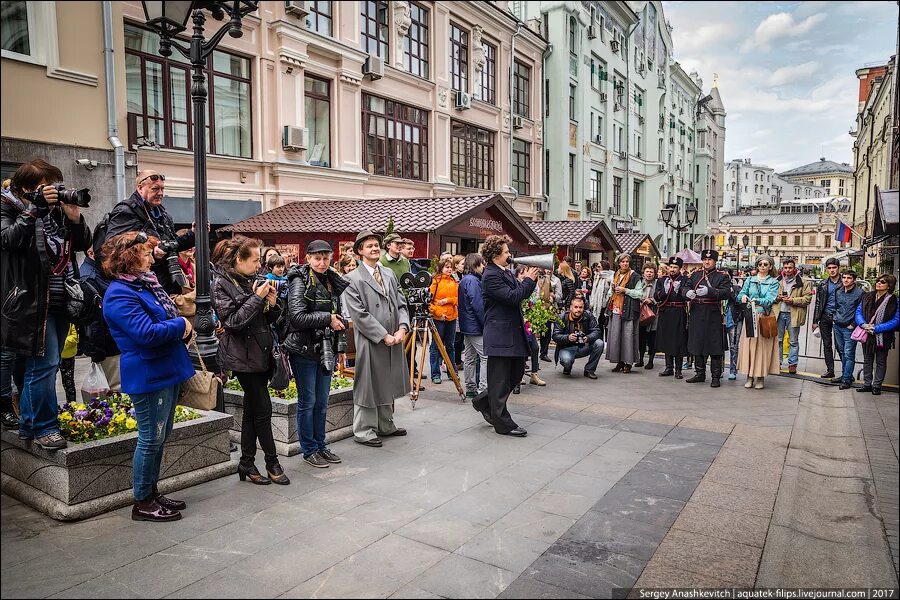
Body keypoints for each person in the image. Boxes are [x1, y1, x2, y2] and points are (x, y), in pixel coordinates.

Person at [102, 231, 194, 522]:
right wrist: (180, 324)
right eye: (144, 254)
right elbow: (145, 334)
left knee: (160, 435)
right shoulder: (119, 294)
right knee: (150, 438)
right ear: (129, 259)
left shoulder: (144, 286)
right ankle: (142, 501)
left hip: (163, 368)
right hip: (147, 371)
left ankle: (152, 492)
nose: (150, 259)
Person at [2, 160, 92, 450]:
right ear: (27, 187)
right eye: (45, 186)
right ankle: (44, 427)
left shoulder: (55, 213)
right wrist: (35, 208)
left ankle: (31, 424)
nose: (53, 192)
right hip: (28, 300)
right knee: (46, 364)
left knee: (40, 366)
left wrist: (75, 216)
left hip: (58, 298)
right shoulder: (7, 206)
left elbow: (80, 245)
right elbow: (9, 239)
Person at [213, 236, 288, 485]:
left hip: (261, 352)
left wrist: (272, 304)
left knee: (252, 412)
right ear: (239, 259)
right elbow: (233, 323)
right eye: (255, 260)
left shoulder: (248, 280)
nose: (259, 265)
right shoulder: (221, 284)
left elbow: (266, 320)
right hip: (242, 357)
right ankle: (272, 462)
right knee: (264, 410)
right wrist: (257, 298)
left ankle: (246, 463)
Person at [284, 240, 348, 468]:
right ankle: (309, 449)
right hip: (303, 348)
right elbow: (297, 318)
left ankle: (321, 445)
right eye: (317, 258)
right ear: (308, 259)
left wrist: (340, 347)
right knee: (307, 401)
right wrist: (327, 319)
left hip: (326, 348)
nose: (322, 263)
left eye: (326, 258)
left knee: (322, 401)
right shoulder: (299, 280)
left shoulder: (332, 280)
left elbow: (338, 315)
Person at [343, 231, 410, 447]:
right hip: (371, 340)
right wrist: (383, 336)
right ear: (359, 251)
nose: (374, 248)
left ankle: (385, 424)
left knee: (387, 381)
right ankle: (364, 430)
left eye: (376, 245)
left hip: (394, 337)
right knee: (368, 383)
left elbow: (401, 303)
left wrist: (402, 327)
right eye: (369, 245)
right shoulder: (352, 279)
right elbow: (359, 315)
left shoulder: (389, 274)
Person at [472, 234, 537, 437]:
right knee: (500, 379)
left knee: (516, 372)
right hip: (500, 335)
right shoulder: (491, 275)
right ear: (495, 255)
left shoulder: (504, 272)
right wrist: (528, 282)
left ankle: (484, 401)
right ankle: (503, 423)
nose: (510, 255)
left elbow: (518, 291)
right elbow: (512, 297)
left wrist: (526, 282)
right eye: (506, 252)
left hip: (510, 333)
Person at [106, 170, 195, 296]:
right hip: (139, 286)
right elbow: (113, 248)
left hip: (164, 284)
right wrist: (151, 252)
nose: (160, 193)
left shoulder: (163, 215)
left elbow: (174, 244)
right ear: (140, 188)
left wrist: (193, 234)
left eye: (162, 189)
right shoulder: (126, 211)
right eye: (155, 189)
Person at [684, 250, 732, 388]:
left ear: (715, 261)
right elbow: (685, 287)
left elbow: (727, 293)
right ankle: (700, 373)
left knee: (714, 345)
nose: (706, 262)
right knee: (697, 343)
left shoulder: (722, 276)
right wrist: (687, 292)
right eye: (704, 259)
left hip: (713, 314)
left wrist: (710, 291)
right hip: (697, 312)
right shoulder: (695, 275)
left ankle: (715, 376)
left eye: (710, 260)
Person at [79, 243, 122, 391]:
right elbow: (93, 320)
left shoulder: (100, 271)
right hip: (107, 344)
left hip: (111, 341)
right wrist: (97, 353)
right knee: (114, 388)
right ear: (91, 253)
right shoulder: (89, 277)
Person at [736, 255, 780, 389]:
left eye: (765, 264)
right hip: (750, 315)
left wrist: (757, 300)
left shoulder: (773, 282)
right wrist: (742, 297)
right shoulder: (750, 279)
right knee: (749, 346)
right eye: (760, 264)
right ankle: (749, 376)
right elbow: (740, 294)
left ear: (770, 267)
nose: (762, 266)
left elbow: (770, 299)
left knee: (762, 348)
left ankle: (760, 377)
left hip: (764, 316)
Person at [855, 274, 898, 395]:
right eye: (878, 281)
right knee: (867, 360)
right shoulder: (867, 296)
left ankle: (877, 386)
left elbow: (896, 320)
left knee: (881, 361)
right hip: (867, 333)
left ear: (889, 286)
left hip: (883, 336)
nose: (878, 283)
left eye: (882, 282)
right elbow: (858, 311)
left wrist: (876, 328)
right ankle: (867, 384)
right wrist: (863, 324)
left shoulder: (894, 300)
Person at [775, 258, 812, 374]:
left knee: (793, 340)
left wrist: (793, 300)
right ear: (782, 268)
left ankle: (792, 363)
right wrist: (778, 298)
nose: (787, 270)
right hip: (779, 313)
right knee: (778, 339)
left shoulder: (803, 282)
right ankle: (778, 362)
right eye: (785, 268)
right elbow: (771, 295)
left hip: (793, 314)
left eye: (790, 267)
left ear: (794, 268)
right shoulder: (777, 281)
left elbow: (807, 298)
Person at [553, 295, 604, 378]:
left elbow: (597, 331)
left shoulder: (588, 315)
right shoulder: (562, 317)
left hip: (583, 346)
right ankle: (567, 366)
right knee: (566, 360)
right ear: (571, 307)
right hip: (566, 348)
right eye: (576, 307)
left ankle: (589, 370)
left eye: (580, 307)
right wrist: (568, 337)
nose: (578, 310)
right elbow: (555, 336)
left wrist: (588, 338)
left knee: (599, 343)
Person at [458, 253, 487, 399]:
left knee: (469, 357)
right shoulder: (473, 281)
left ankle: (470, 387)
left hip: (466, 325)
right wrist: (485, 323)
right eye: (482, 264)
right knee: (485, 357)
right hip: (475, 325)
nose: (484, 266)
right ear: (476, 264)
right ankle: (483, 389)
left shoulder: (465, 280)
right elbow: (478, 305)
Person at [605, 254, 640, 373]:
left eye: (627, 262)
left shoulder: (635, 276)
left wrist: (626, 290)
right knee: (616, 336)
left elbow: (639, 294)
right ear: (618, 263)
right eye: (622, 261)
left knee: (628, 336)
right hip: (615, 308)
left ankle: (628, 363)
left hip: (628, 309)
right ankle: (619, 362)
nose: (625, 263)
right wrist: (611, 292)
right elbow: (610, 291)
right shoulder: (615, 274)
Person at [654, 257, 689, 379]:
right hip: (666, 312)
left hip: (679, 311)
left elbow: (687, 295)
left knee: (678, 340)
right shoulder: (662, 280)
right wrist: (665, 289)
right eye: (671, 267)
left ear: (680, 268)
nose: (672, 269)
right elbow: (657, 296)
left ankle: (678, 369)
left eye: (675, 267)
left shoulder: (684, 280)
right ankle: (669, 367)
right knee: (667, 339)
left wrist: (678, 290)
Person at [427, 257, 459, 384]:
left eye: (450, 267)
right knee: (435, 346)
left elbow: (458, 299)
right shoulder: (435, 281)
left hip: (452, 317)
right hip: (438, 318)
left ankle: (452, 372)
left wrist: (448, 300)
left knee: (450, 346)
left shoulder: (454, 281)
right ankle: (435, 374)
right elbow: (428, 301)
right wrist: (438, 313)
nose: (449, 269)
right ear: (441, 268)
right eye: (446, 267)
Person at [516, 266, 546, 391]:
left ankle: (534, 374)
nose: (524, 275)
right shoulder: (516, 286)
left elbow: (536, 299)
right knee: (521, 349)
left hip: (529, 321)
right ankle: (519, 375)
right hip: (519, 322)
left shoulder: (533, 286)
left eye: (525, 273)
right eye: (521, 273)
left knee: (535, 347)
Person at [832, 271, 864, 389]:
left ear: (854, 280)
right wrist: (834, 318)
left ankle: (846, 379)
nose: (845, 280)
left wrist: (853, 324)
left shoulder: (860, 293)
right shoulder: (838, 291)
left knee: (849, 353)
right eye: (844, 277)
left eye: (849, 278)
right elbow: (836, 306)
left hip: (849, 327)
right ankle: (847, 375)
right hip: (837, 325)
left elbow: (861, 310)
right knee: (841, 351)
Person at [812, 258, 842, 379]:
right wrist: (815, 320)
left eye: (834, 267)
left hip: (839, 318)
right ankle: (830, 370)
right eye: (829, 268)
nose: (832, 270)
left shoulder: (844, 282)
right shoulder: (823, 284)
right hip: (825, 317)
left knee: (840, 345)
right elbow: (818, 302)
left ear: (838, 268)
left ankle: (846, 372)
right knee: (827, 344)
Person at [635, 264, 658, 370]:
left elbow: (661, 296)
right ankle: (640, 359)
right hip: (640, 313)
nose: (649, 274)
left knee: (652, 338)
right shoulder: (639, 283)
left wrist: (652, 300)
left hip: (653, 314)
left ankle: (651, 361)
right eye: (647, 271)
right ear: (643, 273)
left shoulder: (658, 284)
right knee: (641, 337)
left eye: (651, 272)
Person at [537, 268, 562, 361]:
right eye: (547, 269)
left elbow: (560, 297)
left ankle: (544, 353)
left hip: (551, 308)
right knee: (543, 331)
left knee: (549, 331)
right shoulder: (540, 278)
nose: (549, 271)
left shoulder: (556, 280)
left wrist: (553, 295)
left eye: (550, 269)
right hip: (540, 307)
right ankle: (541, 352)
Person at [725, 270, 745, 381]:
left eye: (726, 277)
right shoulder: (715, 289)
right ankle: (719, 369)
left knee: (733, 346)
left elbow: (740, 302)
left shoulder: (736, 288)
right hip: (717, 319)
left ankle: (733, 370)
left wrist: (732, 292)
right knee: (718, 345)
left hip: (733, 319)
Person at [59, 325, 78, 404]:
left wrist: (61, 342)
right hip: (54, 355)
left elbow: (74, 337)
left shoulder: (69, 322)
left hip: (67, 356)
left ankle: (72, 404)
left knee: (69, 382)